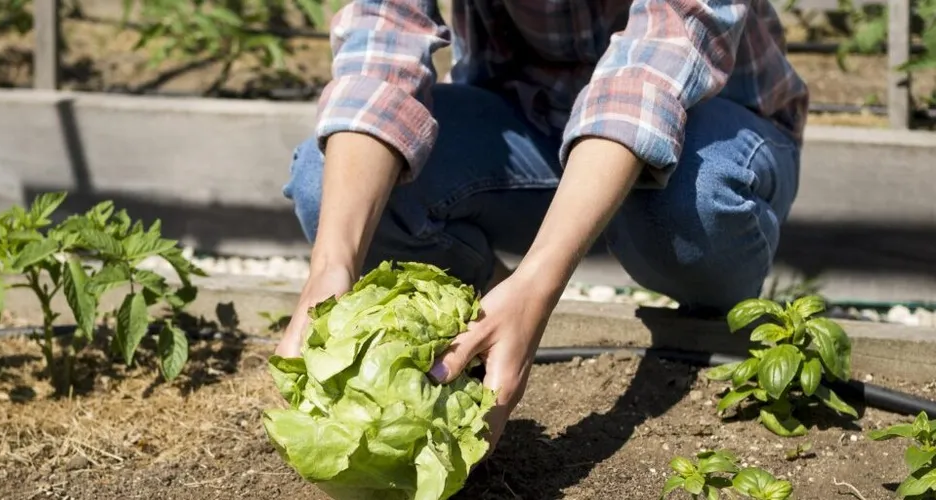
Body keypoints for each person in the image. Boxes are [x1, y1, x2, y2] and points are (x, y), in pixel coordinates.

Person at [275, 0, 808, 453]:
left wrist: (540, 281)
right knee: (327, 189)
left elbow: (654, 68)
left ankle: (710, 325)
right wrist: (330, 267)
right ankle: (484, 319)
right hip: (529, 123)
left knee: (693, 195)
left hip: (708, 128)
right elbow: (381, 38)